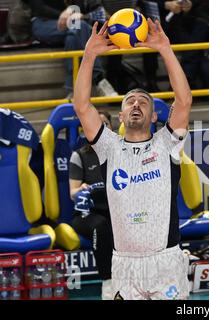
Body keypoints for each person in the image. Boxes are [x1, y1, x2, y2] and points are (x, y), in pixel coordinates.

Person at [72, 18, 192, 300]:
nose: (136, 103)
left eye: (143, 101)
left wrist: (165, 49)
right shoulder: (108, 147)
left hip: (166, 260)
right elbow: (81, 105)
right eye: (130, 101)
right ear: (121, 116)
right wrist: (89, 55)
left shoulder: (167, 143)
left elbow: (184, 101)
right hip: (124, 263)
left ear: (154, 116)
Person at [28, 0, 118, 98]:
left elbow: (79, 4)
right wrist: (65, 16)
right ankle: (100, 80)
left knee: (74, 34)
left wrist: (71, 10)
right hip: (43, 22)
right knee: (82, 27)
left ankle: (73, 91)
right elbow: (38, 7)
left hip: (72, 23)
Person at [69, 110, 113, 300]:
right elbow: (72, 193)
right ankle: (108, 280)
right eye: (95, 124)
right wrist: (83, 189)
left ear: (111, 128)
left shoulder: (121, 153)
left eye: (104, 124)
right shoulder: (79, 156)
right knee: (100, 227)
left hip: (115, 211)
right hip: (86, 215)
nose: (100, 128)